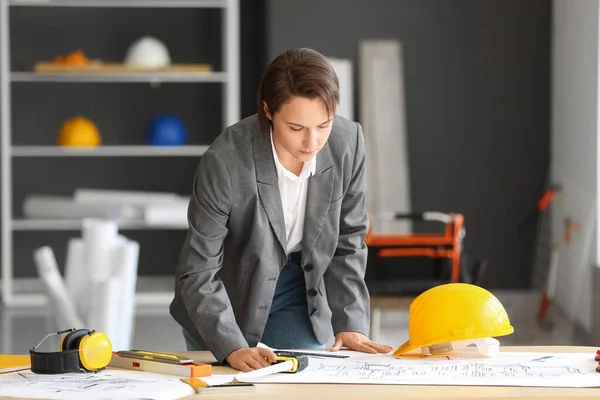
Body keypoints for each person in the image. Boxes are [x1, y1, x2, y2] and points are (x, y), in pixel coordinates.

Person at [169, 47, 393, 372]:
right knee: (237, 387)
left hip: (296, 284)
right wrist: (231, 346)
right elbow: (198, 270)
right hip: (228, 291)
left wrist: (351, 321)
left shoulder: (348, 142)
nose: (312, 142)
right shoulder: (225, 162)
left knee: (302, 380)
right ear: (268, 110)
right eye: (296, 128)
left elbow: (348, 240)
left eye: (323, 125)